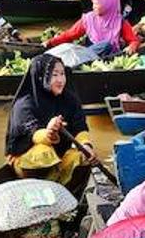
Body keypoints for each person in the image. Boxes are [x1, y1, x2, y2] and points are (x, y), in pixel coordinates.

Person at [6, 55, 90, 184]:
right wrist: (49, 132)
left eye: (62, 74)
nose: (61, 80)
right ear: (41, 77)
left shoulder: (70, 100)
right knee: (44, 152)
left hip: (60, 157)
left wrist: (86, 145)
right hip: (26, 159)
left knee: (84, 156)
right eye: (55, 75)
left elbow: (80, 127)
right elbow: (32, 132)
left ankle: (63, 186)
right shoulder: (24, 104)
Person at [46, 0, 139, 58]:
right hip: (88, 56)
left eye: (97, 4)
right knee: (104, 45)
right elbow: (70, 35)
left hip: (110, 56)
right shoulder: (88, 19)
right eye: (93, 4)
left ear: (108, 5)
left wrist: (132, 46)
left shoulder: (120, 21)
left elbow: (133, 40)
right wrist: (50, 42)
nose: (93, 7)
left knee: (106, 45)